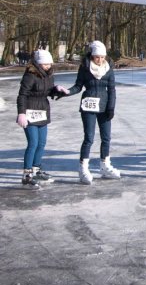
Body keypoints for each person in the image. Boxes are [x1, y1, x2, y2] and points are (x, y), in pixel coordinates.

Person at [62, 41, 120, 184]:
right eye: (96, 57)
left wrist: (111, 107)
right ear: (92, 56)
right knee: (89, 138)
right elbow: (78, 86)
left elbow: (112, 89)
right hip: (88, 106)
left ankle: (105, 165)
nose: (100, 60)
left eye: (102, 57)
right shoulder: (84, 68)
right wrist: (67, 92)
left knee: (106, 137)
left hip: (104, 106)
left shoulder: (108, 69)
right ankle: (83, 168)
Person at [16, 50, 68, 188]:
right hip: (30, 111)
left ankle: (36, 170)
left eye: (49, 63)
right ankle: (27, 175)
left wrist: (57, 89)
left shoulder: (49, 75)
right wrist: (21, 113)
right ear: (38, 64)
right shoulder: (30, 76)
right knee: (33, 143)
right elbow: (22, 95)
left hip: (43, 111)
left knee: (41, 143)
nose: (48, 66)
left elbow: (48, 91)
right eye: (45, 64)